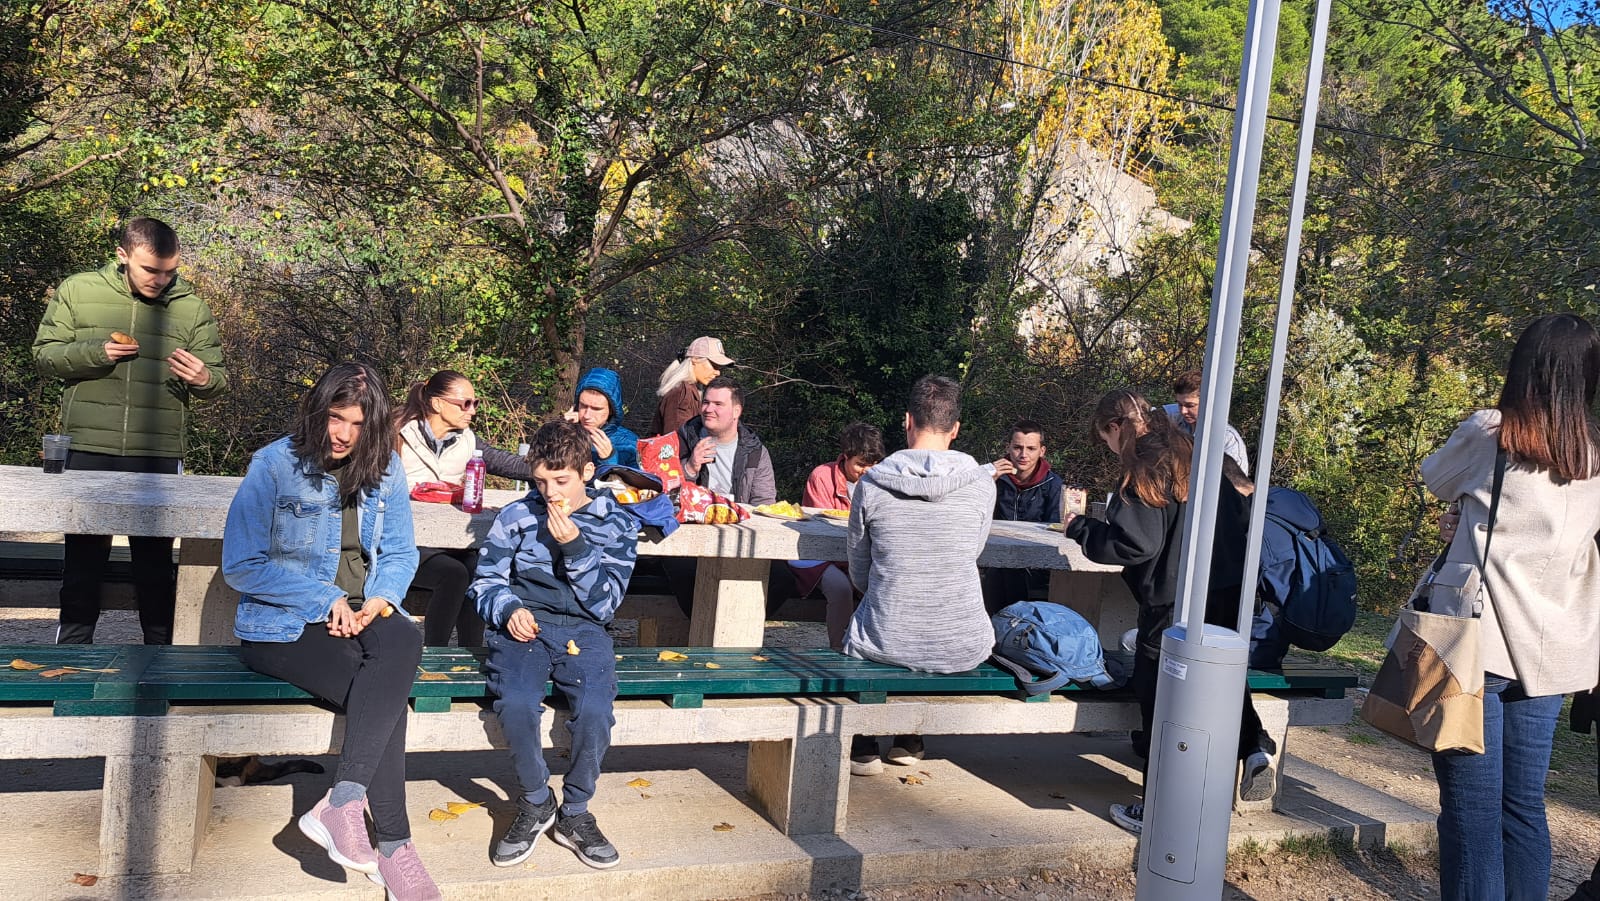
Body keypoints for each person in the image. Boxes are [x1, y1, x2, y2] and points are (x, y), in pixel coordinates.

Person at [222, 362, 439, 900]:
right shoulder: (273, 465)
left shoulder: (386, 467)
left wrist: (381, 598)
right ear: (316, 411)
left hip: (362, 612)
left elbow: (401, 551)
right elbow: (242, 565)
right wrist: (326, 599)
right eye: (335, 418)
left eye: (358, 424)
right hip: (284, 625)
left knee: (404, 639)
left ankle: (342, 802)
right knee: (384, 699)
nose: (343, 434)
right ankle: (396, 847)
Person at [1419, 312, 1600, 901]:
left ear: (1524, 369)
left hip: (1477, 647)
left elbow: (1434, 476)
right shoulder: (1592, 457)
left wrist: (1465, 515)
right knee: (1522, 808)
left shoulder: (1492, 433)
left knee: (1470, 813)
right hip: (1550, 655)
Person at [1064, 388, 1275, 836]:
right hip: (1225, 591)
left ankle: (1161, 812)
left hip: (1173, 605)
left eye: (1105, 437)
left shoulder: (1144, 464)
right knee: (1218, 683)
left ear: (1116, 427)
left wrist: (1081, 528)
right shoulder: (1193, 452)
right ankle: (1252, 747)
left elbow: (1135, 543)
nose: (1108, 446)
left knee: (1163, 700)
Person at [32, 216, 229, 646]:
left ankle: (160, 661)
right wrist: (95, 352)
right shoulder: (78, 290)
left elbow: (218, 380)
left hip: (158, 455)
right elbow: (45, 356)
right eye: (151, 270)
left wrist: (203, 379)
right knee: (82, 566)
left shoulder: (192, 308)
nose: (161, 280)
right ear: (122, 256)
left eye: (170, 271)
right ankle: (72, 660)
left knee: (155, 568)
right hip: (88, 448)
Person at [469, 420, 639, 871]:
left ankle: (576, 811)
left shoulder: (617, 522)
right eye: (540, 481)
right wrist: (507, 608)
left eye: (560, 481)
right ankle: (535, 800)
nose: (549, 492)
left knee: (596, 709)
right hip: (525, 626)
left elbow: (606, 605)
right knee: (516, 703)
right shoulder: (516, 516)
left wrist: (576, 547)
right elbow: (485, 581)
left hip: (585, 628)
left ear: (587, 472)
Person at [843, 376, 995, 774]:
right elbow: (972, 553)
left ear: (907, 420)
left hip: (887, 639)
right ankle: (909, 738)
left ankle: (865, 739)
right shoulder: (982, 484)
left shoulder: (871, 483)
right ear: (955, 428)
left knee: (869, 622)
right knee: (921, 621)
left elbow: (859, 569)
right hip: (959, 645)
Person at [394, 369, 531, 647]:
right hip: (404, 543)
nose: (472, 411)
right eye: (465, 403)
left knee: (478, 568)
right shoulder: (396, 435)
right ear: (437, 403)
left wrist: (557, 470)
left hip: (450, 541)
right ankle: (436, 655)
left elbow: (508, 463)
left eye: (475, 403)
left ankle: (471, 654)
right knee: (454, 575)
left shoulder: (467, 440)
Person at [790, 422, 885, 649]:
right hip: (818, 555)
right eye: (860, 464)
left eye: (872, 465)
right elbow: (821, 527)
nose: (866, 471)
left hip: (857, 555)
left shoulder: (880, 482)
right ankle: (838, 648)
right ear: (845, 456)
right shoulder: (822, 476)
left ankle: (871, 646)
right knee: (841, 587)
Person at [982, 419, 1065, 613]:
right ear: (1008, 447)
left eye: (1031, 448)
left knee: (1012, 576)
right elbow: (973, 516)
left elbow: (1055, 528)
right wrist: (987, 481)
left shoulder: (1053, 484)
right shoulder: (992, 477)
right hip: (994, 560)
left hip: (1036, 567)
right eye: (1018, 447)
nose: (1023, 455)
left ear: (1042, 451)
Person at [675, 376, 776, 504]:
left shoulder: (755, 453)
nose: (708, 409)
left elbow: (764, 503)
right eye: (706, 402)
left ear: (736, 411)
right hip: (691, 515)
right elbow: (665, 492)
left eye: (718, 404)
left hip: (736, 516)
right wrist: (689, 468)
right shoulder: (682, 440)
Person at [1164, 369, 1250, 476]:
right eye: (1179, 404)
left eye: (1190, 406)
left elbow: (1237, 483)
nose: (1183, 411)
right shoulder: (1175, 420)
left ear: (1208, 402)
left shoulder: (1227, 439)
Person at [648, 335, 732, 436]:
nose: (718, 372)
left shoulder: (690, 391)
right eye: (714, 365)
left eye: (719, 367)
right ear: (695, 359)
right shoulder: (681, 393)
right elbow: (678, 440)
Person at [565, 367, 640, 469]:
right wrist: (559, 432)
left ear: (611, 410)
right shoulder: (565, 431)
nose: (587, 415)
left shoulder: (630, 444)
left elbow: (639, 478)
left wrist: (610, 459)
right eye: (583, 406)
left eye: (596, 409)